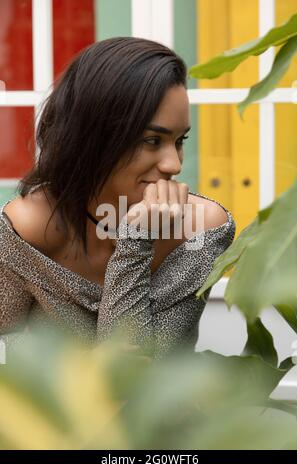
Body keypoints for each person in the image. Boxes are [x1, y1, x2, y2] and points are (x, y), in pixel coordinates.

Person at [0, 37, 236, 360]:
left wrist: (136, 241)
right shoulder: (27, 227)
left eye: (179, 141)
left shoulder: (200, 230)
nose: (174, 164)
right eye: (153, 140)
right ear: (94, 137)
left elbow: (132, 378)